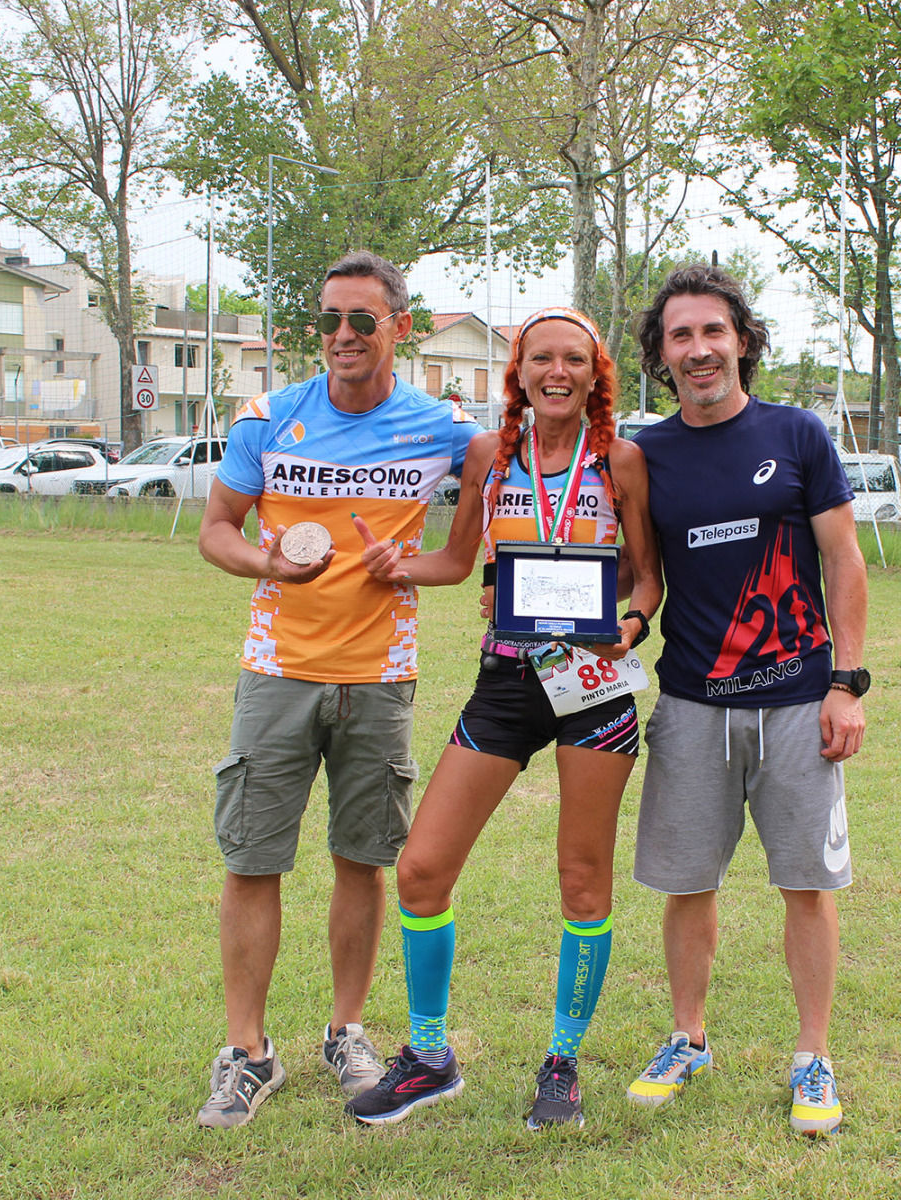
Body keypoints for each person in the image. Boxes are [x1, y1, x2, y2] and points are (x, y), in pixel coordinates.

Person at [345, 306, 661, 1129]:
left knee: (582, 879)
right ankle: (429, 1056)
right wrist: (396, 565)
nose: (557, 373)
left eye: (574, 360)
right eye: (540, 359)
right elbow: (456, 561)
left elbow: (648, 580)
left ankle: (562, 1063)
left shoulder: (621, 460)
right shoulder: (491, 454)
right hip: (508, 681)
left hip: (593, 682)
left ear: (595, 375)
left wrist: (629, 628)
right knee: (421, 869)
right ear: (517, 371)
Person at [193, 250, 484, 1128]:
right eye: (329, 320)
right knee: (253, 860)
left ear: (401, 326)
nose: (343, 336)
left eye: (362, 320)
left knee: (363, 860)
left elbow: (465, 550)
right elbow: (216, 530)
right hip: (276, 673)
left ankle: (346, 1031)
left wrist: (413, 566)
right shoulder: (270, 418)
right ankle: (247, 1053)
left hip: (379, 680)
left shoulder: (444, 428)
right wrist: (267, 563)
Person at [623, 264, 870, 1136]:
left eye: (713, 331)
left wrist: (846, 682)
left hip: (800, 702)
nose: (699, 350)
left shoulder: (797, 434)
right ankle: (687, 1039)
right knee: (687, 883)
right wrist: (615, 619)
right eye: (680, 336)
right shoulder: (644, 455)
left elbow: (843, 560)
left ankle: (813, 1057)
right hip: (693, 704)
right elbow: (642, 575)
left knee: (807, 883)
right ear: (661, 355)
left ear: (742, 341)